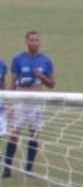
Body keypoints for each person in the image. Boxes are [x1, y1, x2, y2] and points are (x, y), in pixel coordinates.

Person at [4, 30, 56, 178]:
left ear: (40, 42)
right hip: (21, 102)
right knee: (14, 134)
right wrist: (8, 103)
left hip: (37, 102)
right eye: (32, 40)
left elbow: (52, 84)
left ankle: (28, 169)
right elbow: (12, 83)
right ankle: (7, 168)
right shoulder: (18, 59)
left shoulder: (46, 60)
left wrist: (42, 77)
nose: (34, 43)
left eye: (37, 40)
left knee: (34, 135)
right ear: (26, 42)